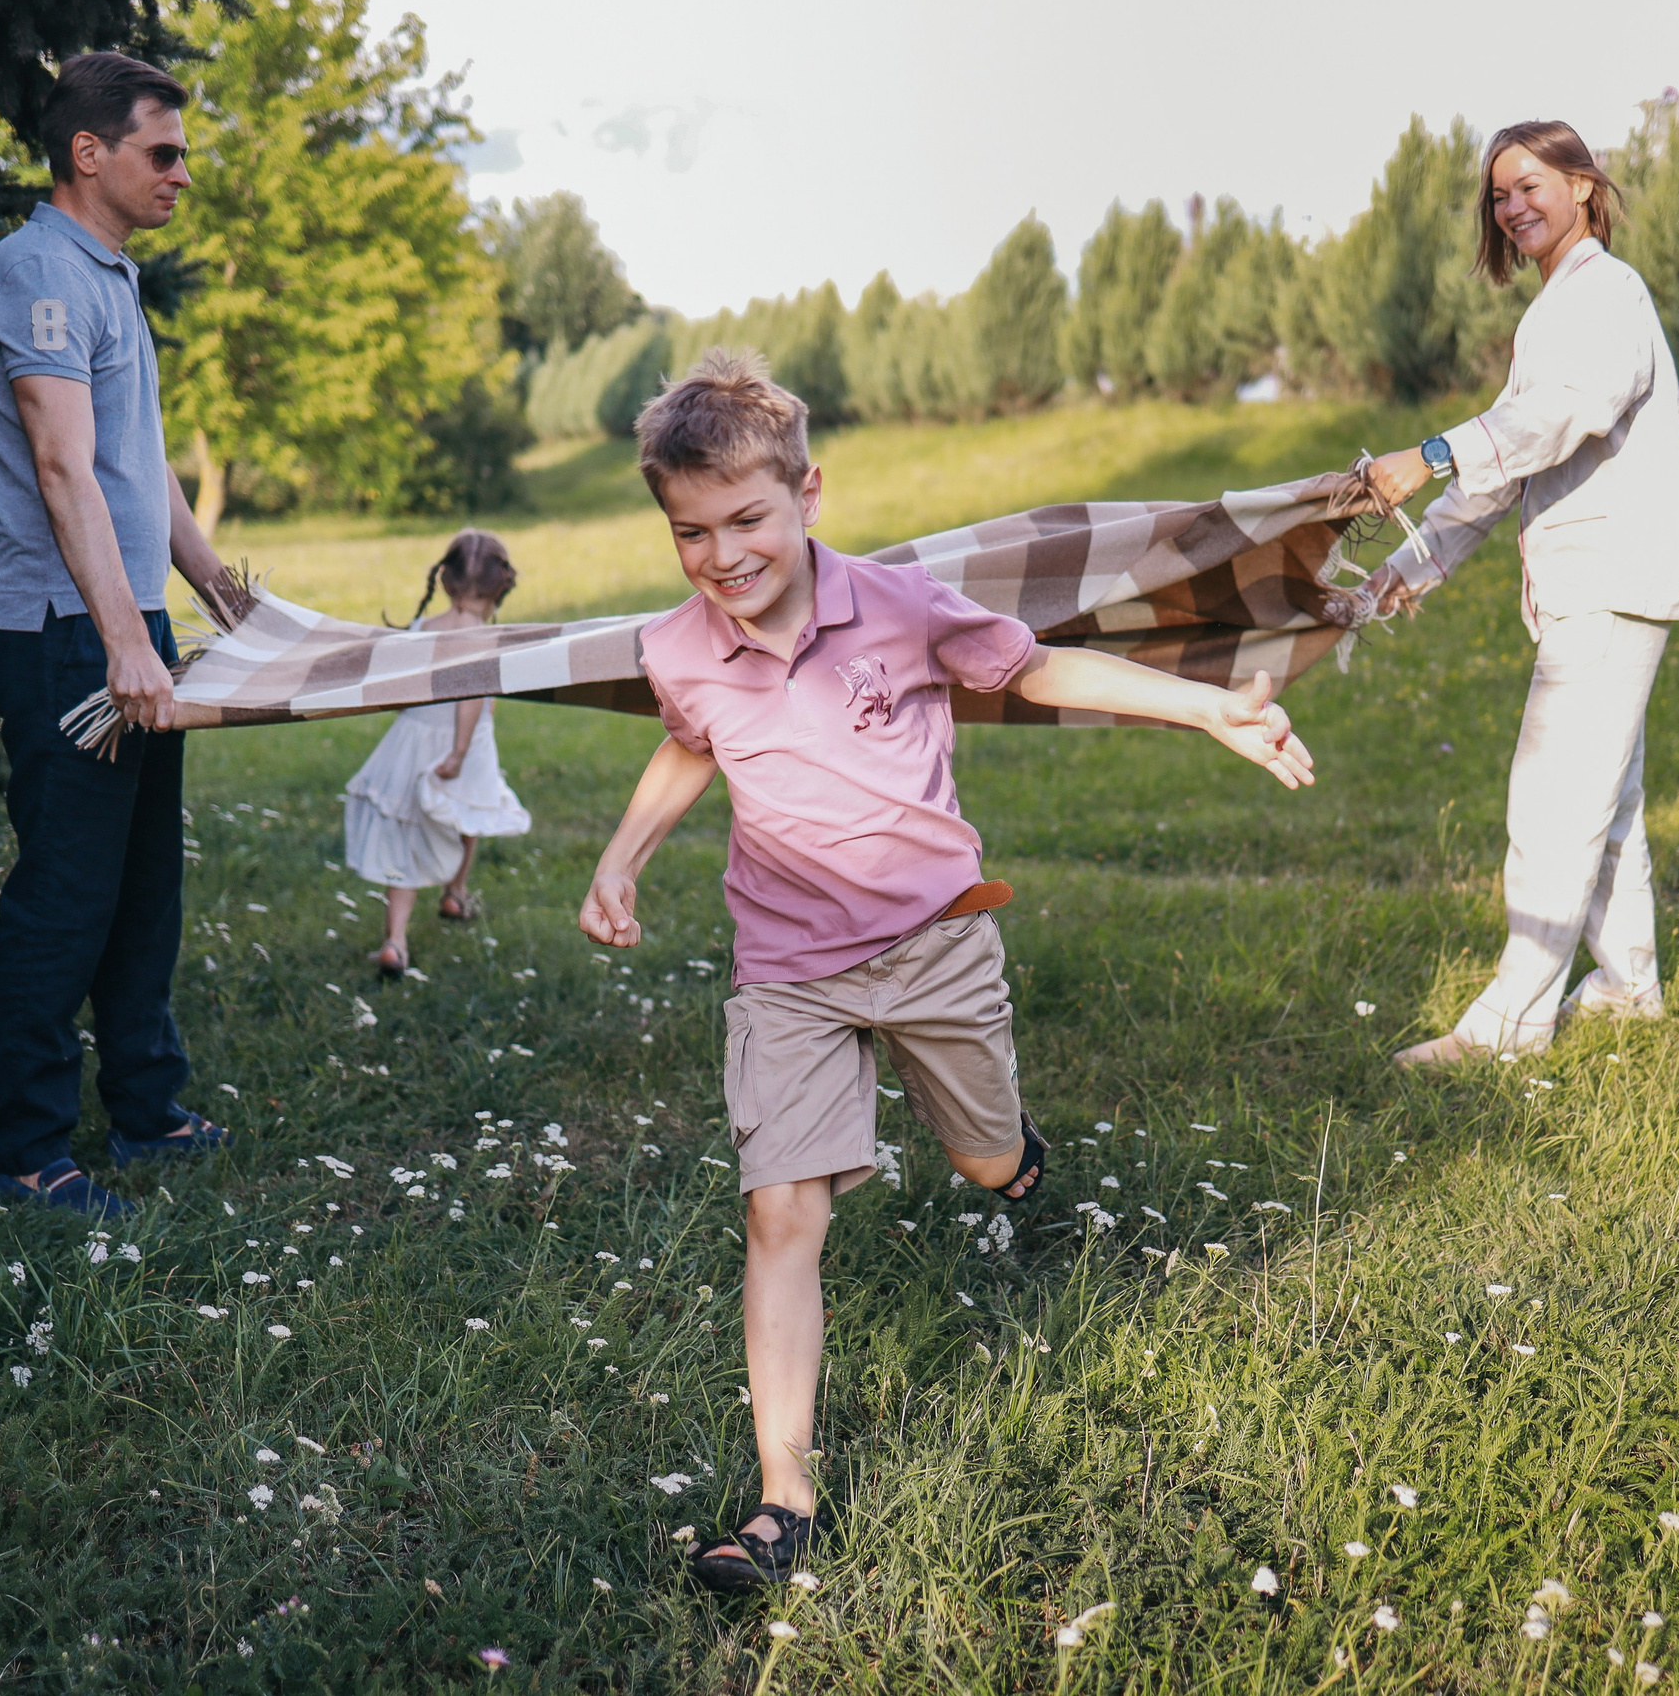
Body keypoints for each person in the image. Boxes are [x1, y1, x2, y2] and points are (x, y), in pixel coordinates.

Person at [576, 350, 1315, 1589]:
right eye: (689, 532)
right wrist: (621, 856)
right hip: (789, 969)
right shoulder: (680, 645)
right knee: (779, 1211)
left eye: (746, 519)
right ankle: (782, 1497)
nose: (721, 555)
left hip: (935, 945)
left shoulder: (902, 605)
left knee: (981, 1158)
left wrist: (1204, 708)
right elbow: (686, 745)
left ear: (808, 494)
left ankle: (1012, 1159)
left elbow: (1034, 670)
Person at [0, 53, 242, 1217]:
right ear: (90, 153)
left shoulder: (109, 276)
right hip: (65, 632)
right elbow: (63, 465)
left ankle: (147, 1110)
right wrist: (126, 641)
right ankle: (28, 1150)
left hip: (127, 623)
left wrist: (216, 586)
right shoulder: (36, 272)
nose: (183, 172)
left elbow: (138, 463)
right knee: (67, 894)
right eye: (161, 151)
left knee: (141, 888)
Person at [1360, 120, 1679, 1066]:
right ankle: (1629, 990)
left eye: (1529, 185)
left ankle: (1511, 1027)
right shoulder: (1557, 307)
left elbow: (1555, 420)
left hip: (1612, 579)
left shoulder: (1609, 295)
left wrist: (1427, 455)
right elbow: (1508, 466)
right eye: (1499, 196)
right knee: (1607, 797)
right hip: (1595, 585)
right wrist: (1411, 564)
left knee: (1553, 802)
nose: (1512, 208)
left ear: (1584, 186)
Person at [343, 531, 533, 976]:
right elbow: (470, 697)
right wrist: (460, 752)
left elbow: (398, 687)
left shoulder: (422, 631)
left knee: (405, 837)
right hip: (462, 744)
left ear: (444, 582)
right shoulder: (484, 637)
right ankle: (455, 891)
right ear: (502, 586)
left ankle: (396, 939)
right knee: (469, 815)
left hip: (412, 738)